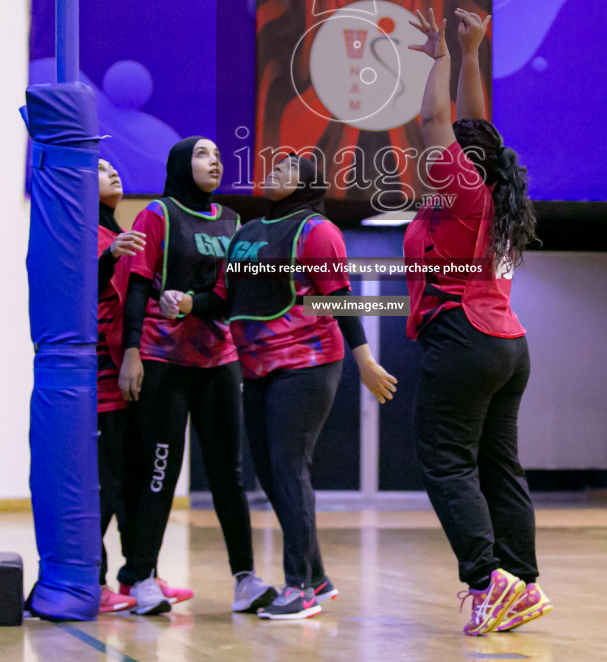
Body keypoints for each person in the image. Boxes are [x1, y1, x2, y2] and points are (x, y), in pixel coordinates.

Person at [165, 153, 398, 620]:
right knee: (272, 475)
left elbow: (338, 298)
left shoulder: (317, 231)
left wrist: (366, 361)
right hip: (257, 368)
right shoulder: (248, 234)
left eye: (288, 168)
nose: (274, 170)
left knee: (290, 469)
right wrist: (190, 302)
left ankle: (300, 589)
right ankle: (318, 577)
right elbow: (226, 299)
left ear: (307, 181)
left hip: (307, 363)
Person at [404, 7, 552, 637]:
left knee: (444, 461)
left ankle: (489, 580)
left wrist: (438, 55)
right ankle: (521, 583)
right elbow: (473, 126)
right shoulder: (494, 190)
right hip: (507, 342)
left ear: (462, 160)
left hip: (463, 333)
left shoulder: (460, 187)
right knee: (499, 467)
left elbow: (439, 120)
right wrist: (471, 52)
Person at [117, 137, 277, 616]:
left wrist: (192, 302)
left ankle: (245, 579)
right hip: (163, 361)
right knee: (159, 470)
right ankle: (142, 577)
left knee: (229, 474)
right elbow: (137, 286)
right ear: (182, 164)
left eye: (217, 154)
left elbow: (232, 295)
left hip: (219, 361)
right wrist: (131, 352)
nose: (216, 160)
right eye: (204, 154)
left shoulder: (233, 222)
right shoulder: (157, 215)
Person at [93, 159, 194, 613]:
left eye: (115, 166)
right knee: (103, 486)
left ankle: (138, 575)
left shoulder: (119, 234)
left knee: (133, 482)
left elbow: (136, 290)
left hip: (128, 374)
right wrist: (109, 257)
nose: (113, 172)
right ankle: (89, 581)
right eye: (98, 168)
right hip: (97, 379)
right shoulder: (83, 235)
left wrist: (165, 296)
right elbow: (78, 291)